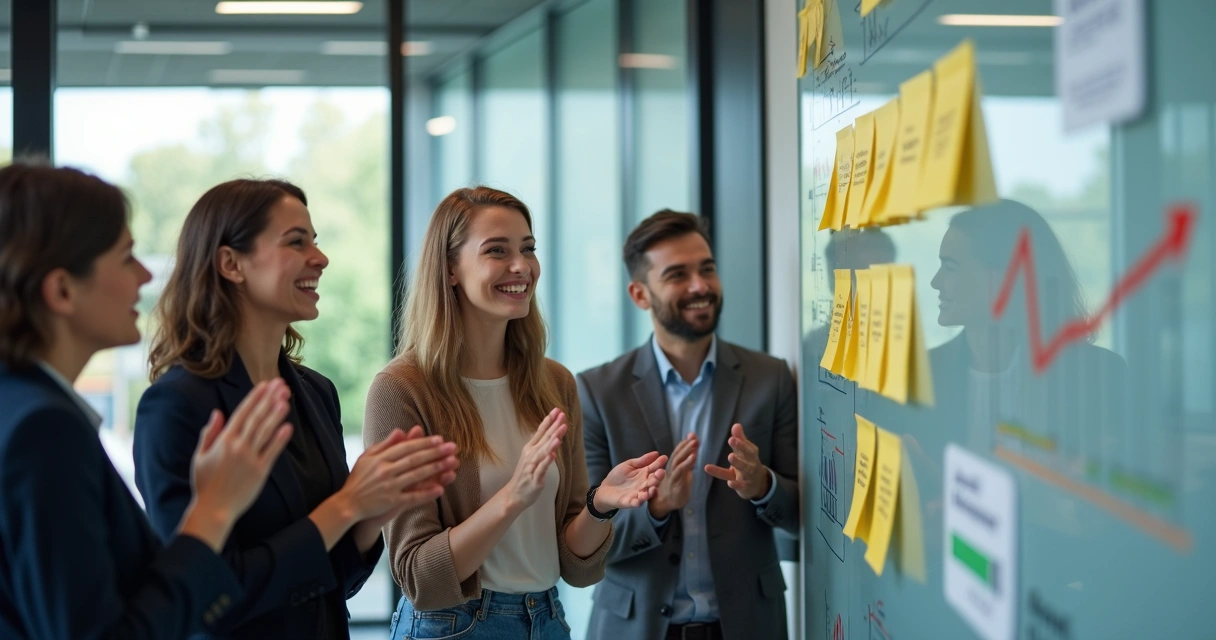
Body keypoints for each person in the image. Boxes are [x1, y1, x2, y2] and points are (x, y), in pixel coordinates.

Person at [133, 178, 459, 640]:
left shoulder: (316, 392)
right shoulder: (176, 405)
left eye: (316, 241)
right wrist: (348, 505)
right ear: (231, 263)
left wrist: (376, 510)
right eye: (296, 242)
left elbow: (332, 581)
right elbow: (202, 598)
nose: (320, 258)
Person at [0, 163, 293, 639]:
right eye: (126, 256)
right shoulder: (44, 430)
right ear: (61, 290)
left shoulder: (16, 406)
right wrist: (213, 510)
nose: (143, 275)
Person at [363, 186, 666, 640]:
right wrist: (512, 495)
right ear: (449, 269)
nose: (522, 266)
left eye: (528, 248)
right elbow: (419, 578)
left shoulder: (555, 383)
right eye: (497, 251)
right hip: (453, 625)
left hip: (546, 619)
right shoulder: (403, 390)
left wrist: (600, 506)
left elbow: (575, 565)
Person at [578, 209, 800, 640]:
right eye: (677, 274)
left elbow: (803, 515)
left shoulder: (769, 378)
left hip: (747, 626)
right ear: (640, 294)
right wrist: (655, 509)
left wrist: (763, 486)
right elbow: (586, 546)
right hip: (636, 629)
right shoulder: (597, 392)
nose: (700, 286)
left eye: (707, 269)